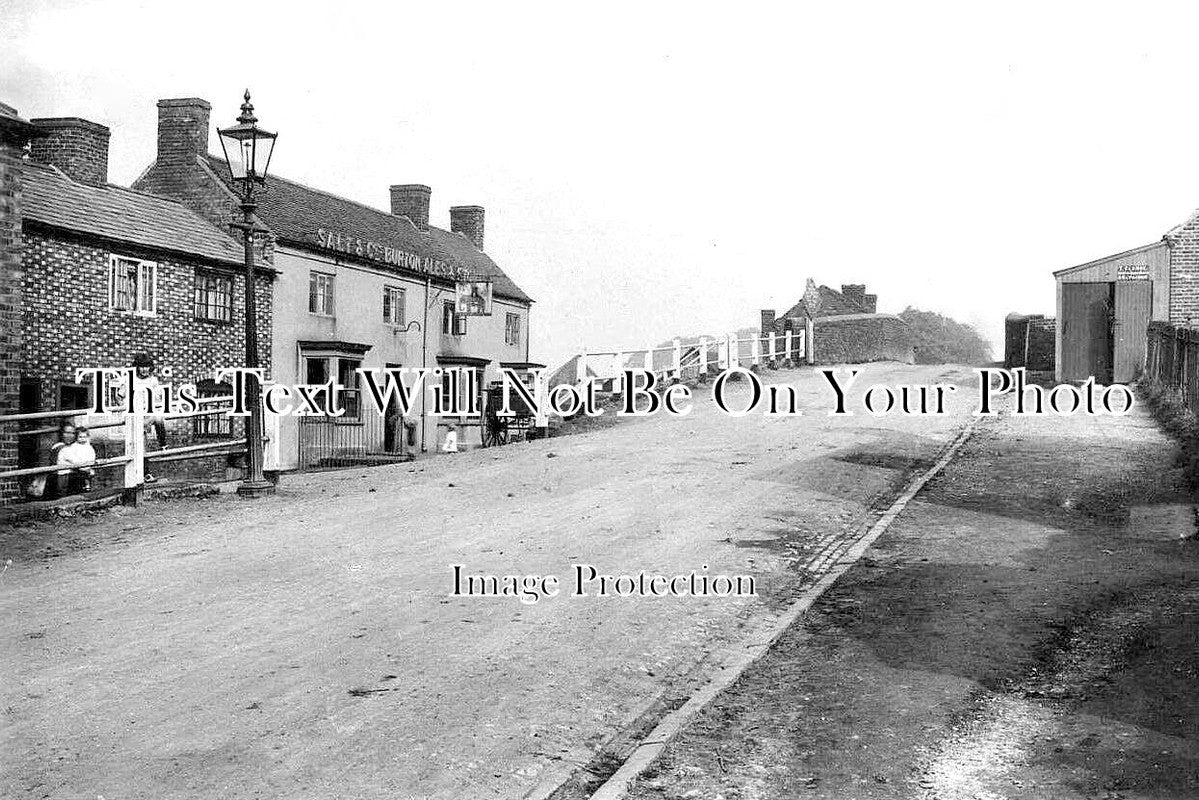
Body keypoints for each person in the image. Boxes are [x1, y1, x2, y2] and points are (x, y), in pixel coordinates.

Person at [56, 426, 96, 495]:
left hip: (78, 471)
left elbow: (91, 456)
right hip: (66, 475)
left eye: (72, 433)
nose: (70, 436)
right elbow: (76, 462)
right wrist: (86, 468)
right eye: (67, 433)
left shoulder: (87, 447)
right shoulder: (67, 448)